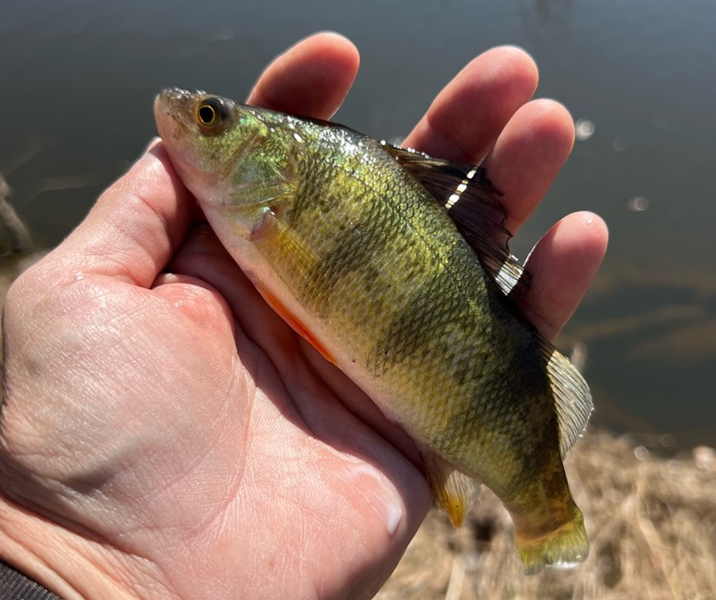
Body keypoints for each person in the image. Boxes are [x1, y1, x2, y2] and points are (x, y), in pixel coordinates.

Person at [0, 33, 608, 599]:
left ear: (270, 162)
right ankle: (545, 516)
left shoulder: (270, 206)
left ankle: (545, 514)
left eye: (209, 118)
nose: (184, 114)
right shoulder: (255, 209)